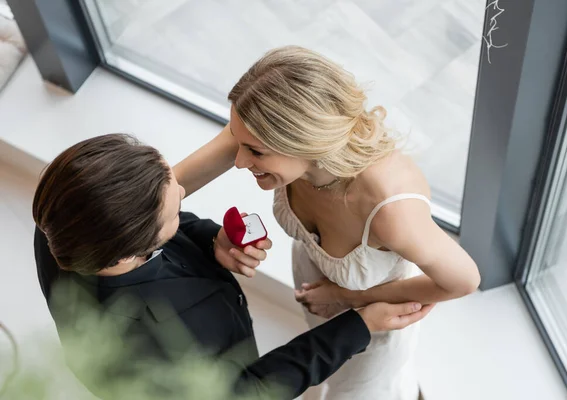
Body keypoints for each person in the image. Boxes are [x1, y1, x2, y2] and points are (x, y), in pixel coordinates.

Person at [174, 45, 481, 399]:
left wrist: (342, 294)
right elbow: (170, 186)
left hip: (374, 317)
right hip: (314, 291)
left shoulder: (389, 209)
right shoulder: (262, 135)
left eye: (255, 152)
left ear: (307, 143)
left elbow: (464, 281)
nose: (239, 160)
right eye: (237, 142)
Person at [32, 134, 432, 399]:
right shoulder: (149, 349)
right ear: (128, 249)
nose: (184, 190)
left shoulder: (63, 221)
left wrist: (209, 242)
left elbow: (162, 229)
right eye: (174, 209)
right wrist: (359, 326)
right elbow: (250, 391)